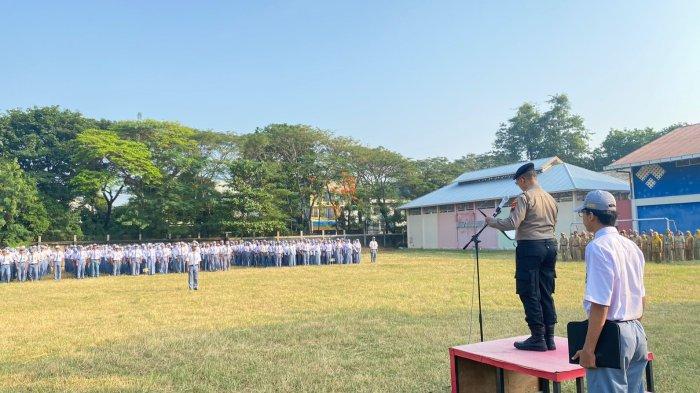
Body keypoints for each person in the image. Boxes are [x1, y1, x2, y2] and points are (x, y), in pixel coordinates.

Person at [571, 190, 648, 393]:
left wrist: (589, 349)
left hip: (612, 333)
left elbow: (600, 302)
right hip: (636, 330)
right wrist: (634, 332)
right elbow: (641, 296)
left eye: (583, 214)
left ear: (591, 215)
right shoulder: (632, 246)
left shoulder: (597, 247)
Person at [486, 162, 558, 351]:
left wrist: (492, 222)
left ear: (523, 179)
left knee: (529, 290)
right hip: (550, 245)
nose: (518, 186)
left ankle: (537, 337)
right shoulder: (551, 198)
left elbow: (513, 222)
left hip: (530, 247)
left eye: (518, 183)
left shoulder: (525, 197)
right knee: (545, 290)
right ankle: (549, 338)